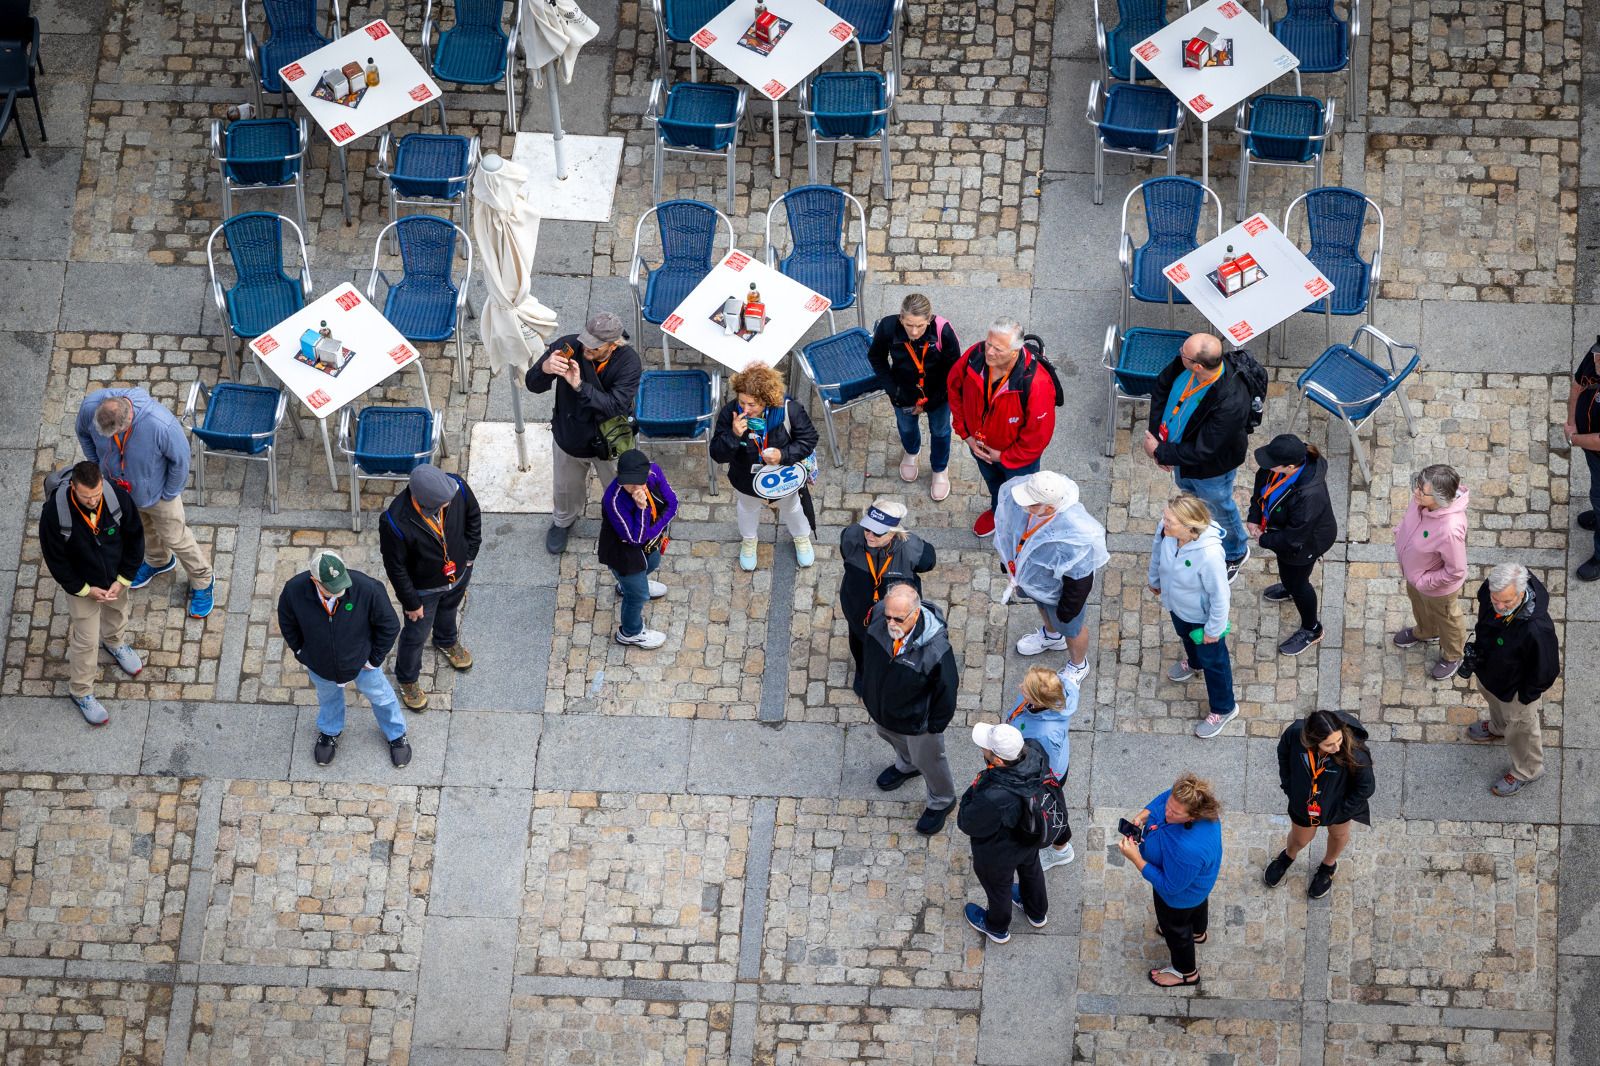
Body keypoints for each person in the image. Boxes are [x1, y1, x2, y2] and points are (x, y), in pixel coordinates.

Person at [76, 387, 215, 617]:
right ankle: (158, 561)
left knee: (176, 537)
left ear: (127, 421)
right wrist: (95, 465)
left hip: (159, 496)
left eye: (113, 435)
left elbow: (180, 461)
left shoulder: (160, 424)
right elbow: (83, 433)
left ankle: (203, 579)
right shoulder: (91, 408)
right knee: (141, 531)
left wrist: (168, 494)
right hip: (123, 493)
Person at [277, 549, 410, 769]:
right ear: (315, 581)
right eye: (331, 589)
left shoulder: (368, 589)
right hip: (320, 664)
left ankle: (397, 734)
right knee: (328, 698)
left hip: (362, 663)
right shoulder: (294, 591)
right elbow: (287, 623)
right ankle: (330, 731)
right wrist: (302, 652)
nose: (340, 591)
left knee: (381, 697)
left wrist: (374, 659)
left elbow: (390, 625)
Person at [525, 311, 642, 555]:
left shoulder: (629, 362)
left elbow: (615, 406)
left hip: (611, 441)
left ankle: (622, 522)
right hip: (571, 436)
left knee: (620, 487)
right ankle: (563, 522)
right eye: (586, 340)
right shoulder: (567, 346)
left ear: (613, 345)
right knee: (565, 489)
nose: (586, 347)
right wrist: (545, 368)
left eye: (595, 346)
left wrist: (579, 386)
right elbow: (532, 385)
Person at [38, 461, 145, 725]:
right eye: (87, 496)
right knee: (85, 639)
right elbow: (56, 561)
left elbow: (135, 538)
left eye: (96, 494)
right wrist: (84, 590)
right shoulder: (55, 514)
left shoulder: (116, 498)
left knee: (118, 610)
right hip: (82, 586)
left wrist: (124, 579)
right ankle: (82, 691)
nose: (93, 500)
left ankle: (115, 642)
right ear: (73, 488)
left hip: (115, 579)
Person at [1143, 334, 1253, 581]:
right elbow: (1161, 387)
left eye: (1184, 351)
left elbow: (1205, 450)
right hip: (1182, 456)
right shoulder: (1185, 363)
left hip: (1211, 469)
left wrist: (1160, 452)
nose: (1179, 351)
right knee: (1190, 493)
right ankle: (1199, 522)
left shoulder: (1230, 402)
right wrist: (1158, 439)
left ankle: (1236, 551)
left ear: (1198, 366)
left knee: (1219, 506)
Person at [378, 464, 481, 712]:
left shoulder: (456, 488)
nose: (447, 506)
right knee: (415, 635)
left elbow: (473, 517)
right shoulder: (395, 521)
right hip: (424, 590)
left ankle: (446, 640)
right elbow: (396, 568)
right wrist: (411, 603)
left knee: (449, 610)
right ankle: (407, 678)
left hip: (458, 573)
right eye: (441, 505)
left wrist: (469, 557)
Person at [860, 583, 959, 835]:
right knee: (892, 738)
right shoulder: (880, 617)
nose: (890, 623)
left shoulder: (935, 650)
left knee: (930, 760)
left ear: (915, 615)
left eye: (898, 619)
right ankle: (907, 765)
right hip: (886, 711)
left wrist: (933, 726)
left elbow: (947, 689)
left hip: (918, 723)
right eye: (888, 615)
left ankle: (942, 800)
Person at [994, 470, 1108, 687]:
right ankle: (1052, 636)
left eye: (1031, 503)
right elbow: (1013, 535)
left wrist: (1067, 612)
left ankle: (1078, 664)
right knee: (1043, 608)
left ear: (1049, 507)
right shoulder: (1029, 510)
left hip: (1060, 596)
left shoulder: (1073, 534)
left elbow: (1080, 580)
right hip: (1035, 582)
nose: (1023, 505)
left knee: (1072, 630)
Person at [947, 318, 1057, 538]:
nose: (988, 352)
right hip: (979, 446)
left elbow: (1037, 436)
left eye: (998, 348)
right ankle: (998, 510)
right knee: (994, 483)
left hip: (1017, 459)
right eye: (988, 343)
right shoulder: (974, 356)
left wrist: (1005, 457)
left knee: (1023, 491)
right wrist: (966, 435)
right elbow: (953, 388)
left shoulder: (1037, 384)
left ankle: (1024, 520)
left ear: (1015, 352)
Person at [709, 361, 819, 571]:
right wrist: (733, 436)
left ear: (767, 401)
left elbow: (808, 439)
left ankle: (801, 537)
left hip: (784, 476)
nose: (745, 409)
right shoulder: (730, 413)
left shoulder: (789, 410)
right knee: (747, 508)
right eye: (742, 402)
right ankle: (749, 540)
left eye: (752, 405)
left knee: (792, 506)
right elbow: (717, 453)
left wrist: (783, 455)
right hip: (746, 478)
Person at [1117, 773, 1224, 988]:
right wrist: (1142, 816)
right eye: (1169, 805)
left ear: (1192, 817)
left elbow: (1170, 887)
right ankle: (1198, 933)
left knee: (1175, 930)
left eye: (1174, 813)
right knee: (1197, 908)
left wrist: (1136, 859)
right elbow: (1163, 799)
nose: (1167, 812)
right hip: (1197, 889)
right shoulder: (1190, 801)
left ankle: (1186, 973)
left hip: (1178, 899)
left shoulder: (1187, 850)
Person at [1464, 563, 1561, 796]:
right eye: (1495, 599)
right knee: (1495, 702)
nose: (1498, 606)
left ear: (1521, 593)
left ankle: (1528, 770)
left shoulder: (1537, 629)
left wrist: (1524, 697)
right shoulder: (1492, 593)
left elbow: (1546, 670)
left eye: (1506, 602)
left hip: (1517, 690)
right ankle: (1498, 726)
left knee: (1522, 728)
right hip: (1491, 673)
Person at [1148, 493, 1237, 738]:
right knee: (1186, 638)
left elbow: (1220, 595)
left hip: (1202, 617)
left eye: (1170, 520)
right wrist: (1155, 579)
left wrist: (1213, 629)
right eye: (1165, 517)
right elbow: (1157, 551)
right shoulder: (1168, 532)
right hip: (1178, 607)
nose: (1163, 522)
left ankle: (1224, 707)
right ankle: (1194, 662)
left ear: (1189, 526)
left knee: (1215, 663)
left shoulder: (1209, 556)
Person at [1264, 710, 1376, 898]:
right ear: (1312, 740)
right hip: (1304, 805)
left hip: (1337, 809)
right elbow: (1283, 752)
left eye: (1339, 740)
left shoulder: (1354, 751)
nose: (1337, 747)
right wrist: (1289, 785)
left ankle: (1328, 865)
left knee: (1338, 835)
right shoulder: (1295, 734)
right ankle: (1288, 856)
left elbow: (1366, 787)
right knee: (1300, 839)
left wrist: (1342, 810)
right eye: (1329, 744)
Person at [1245, 434, 1337, 656]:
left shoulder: (1309, 495)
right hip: (1284, 533)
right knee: (1290, 575)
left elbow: (1293, 538)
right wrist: (1255, 515)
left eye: (1271, 462)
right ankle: (1289, 587)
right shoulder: (1278, 466)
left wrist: (1263, 539)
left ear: (1290, 466)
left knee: (1298, 582)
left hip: (1305, 544)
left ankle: (1312, 629)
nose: (1265, 464)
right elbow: (1261, 485)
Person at [958, 722, 1050, 944]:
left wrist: (972, 792)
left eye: (986, 749)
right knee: (1031, 870)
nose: (983, 750)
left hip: (999, 849)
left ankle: (997, 927)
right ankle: (1036, 912)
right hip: (1030, 834)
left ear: (998, 761)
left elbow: (967, 823)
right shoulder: (1036, 752)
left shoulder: (993, 794)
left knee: (998, 886)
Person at [866, 293, 962, 501]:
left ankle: (939, 468)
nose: (914, 331)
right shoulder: (888, 327)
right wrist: (894, 391)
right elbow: (876, 357)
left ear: (929, 320)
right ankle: (911, 452)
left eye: (920, 325)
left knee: (940, 430)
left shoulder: (943, 331)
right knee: (907, 426)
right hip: (904, 393)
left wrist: (931, 403)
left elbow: (954, 372)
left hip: (938, 394)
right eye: (909, 325)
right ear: (901, 318)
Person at [838, 499, 935, 695]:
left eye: (877, 532)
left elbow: (928, 562)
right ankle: (863, 672)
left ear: (893, 532)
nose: (869, 536)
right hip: (859, 610)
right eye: (867, 529)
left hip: (897, 614)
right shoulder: (851, 537)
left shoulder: (911, 549)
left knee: (896, 646)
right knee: (860, 643)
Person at [1392, 464, 1470, 680]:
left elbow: (1456, 571)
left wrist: (1424, 581)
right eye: (1417, 485)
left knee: (1448, 619)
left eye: (1421, 490)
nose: (1415, 492)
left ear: (1439, 497)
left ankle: (1453, 655)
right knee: (1419, 605)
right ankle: (1426, 631)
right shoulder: (1422, 501)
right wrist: (1400, 533)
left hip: (1437, 588)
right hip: (1415, 575)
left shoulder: (1450, 529)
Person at [599, 448, 679, 650]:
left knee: (653, 562)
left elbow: (672, 504)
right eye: (629, 482)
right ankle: (630, 632)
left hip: (647, 539)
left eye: (639, 481)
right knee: (638, 596)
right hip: (622, 552)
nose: (635, 487)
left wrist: (650, 532)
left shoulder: (653, 471)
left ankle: (629, 585)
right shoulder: (614, 500)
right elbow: (634, 538)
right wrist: (642, 509)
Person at [1005, 666, 1076, 871]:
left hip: (1045, 775)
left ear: (1037, 700)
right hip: (1035, 760)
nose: (1020, 687)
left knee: (1050, 811)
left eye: (1026, 689)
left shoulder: (1047, 734)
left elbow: (1047, 766)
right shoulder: (1053, 691)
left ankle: (1061, 850)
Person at [1564, 335, 1600, 581]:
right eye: (1598, 354)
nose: (1596, 360)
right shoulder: (1595, 355)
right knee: (1596, 491)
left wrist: (1573, 440)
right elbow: (1578, 385)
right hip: (1591, 449)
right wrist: (1571, 422)